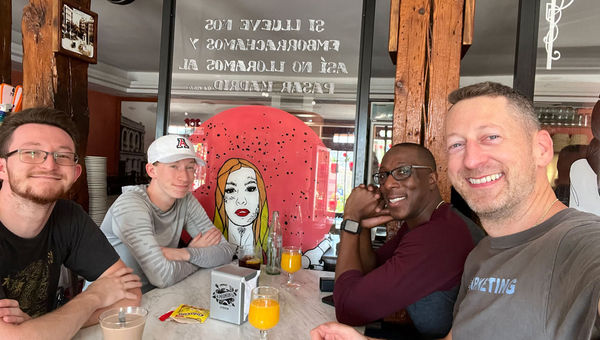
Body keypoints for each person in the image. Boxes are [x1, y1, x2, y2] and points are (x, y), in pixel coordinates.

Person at [312, 82, 600, 340]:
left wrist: (350, 220)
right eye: (457, 144)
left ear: (541, 148)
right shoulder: (484, 254)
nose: (472, 160)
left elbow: (352, 306)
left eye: (491, 137)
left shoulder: (582, 246)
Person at [0, 107, 141, 339]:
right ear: (2, 167)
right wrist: (93, 297)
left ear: (75, 173)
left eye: (62, 156)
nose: (49, 165)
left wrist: (42, 326)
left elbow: (130, 294)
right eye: (32, 153)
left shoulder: (69, 216)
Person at [333, 143, 484, 338]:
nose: (388, 184)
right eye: (384, 175)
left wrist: (350, 220)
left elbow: (348, 309)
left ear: (431, 179)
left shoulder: (439, 237)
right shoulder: (426, 224)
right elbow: (372, 271)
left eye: (403, 171)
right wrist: (360, 226)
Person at [101, 134, 236, 293]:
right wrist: (198, 256)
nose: (185, 177)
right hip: (111, 305)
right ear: (152, 170)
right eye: (174, 166)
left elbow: (226, 251)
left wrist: (182, 253)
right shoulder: (130, 205)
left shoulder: (185, 199)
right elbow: (162, 276)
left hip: (157, 296)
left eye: (190, 167)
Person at [213, 158, 269, 254]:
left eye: (250, 189)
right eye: (230, 190)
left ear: (261, 195)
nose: (241, 201)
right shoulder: (212, 246)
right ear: (221, 198)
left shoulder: (268, 246)